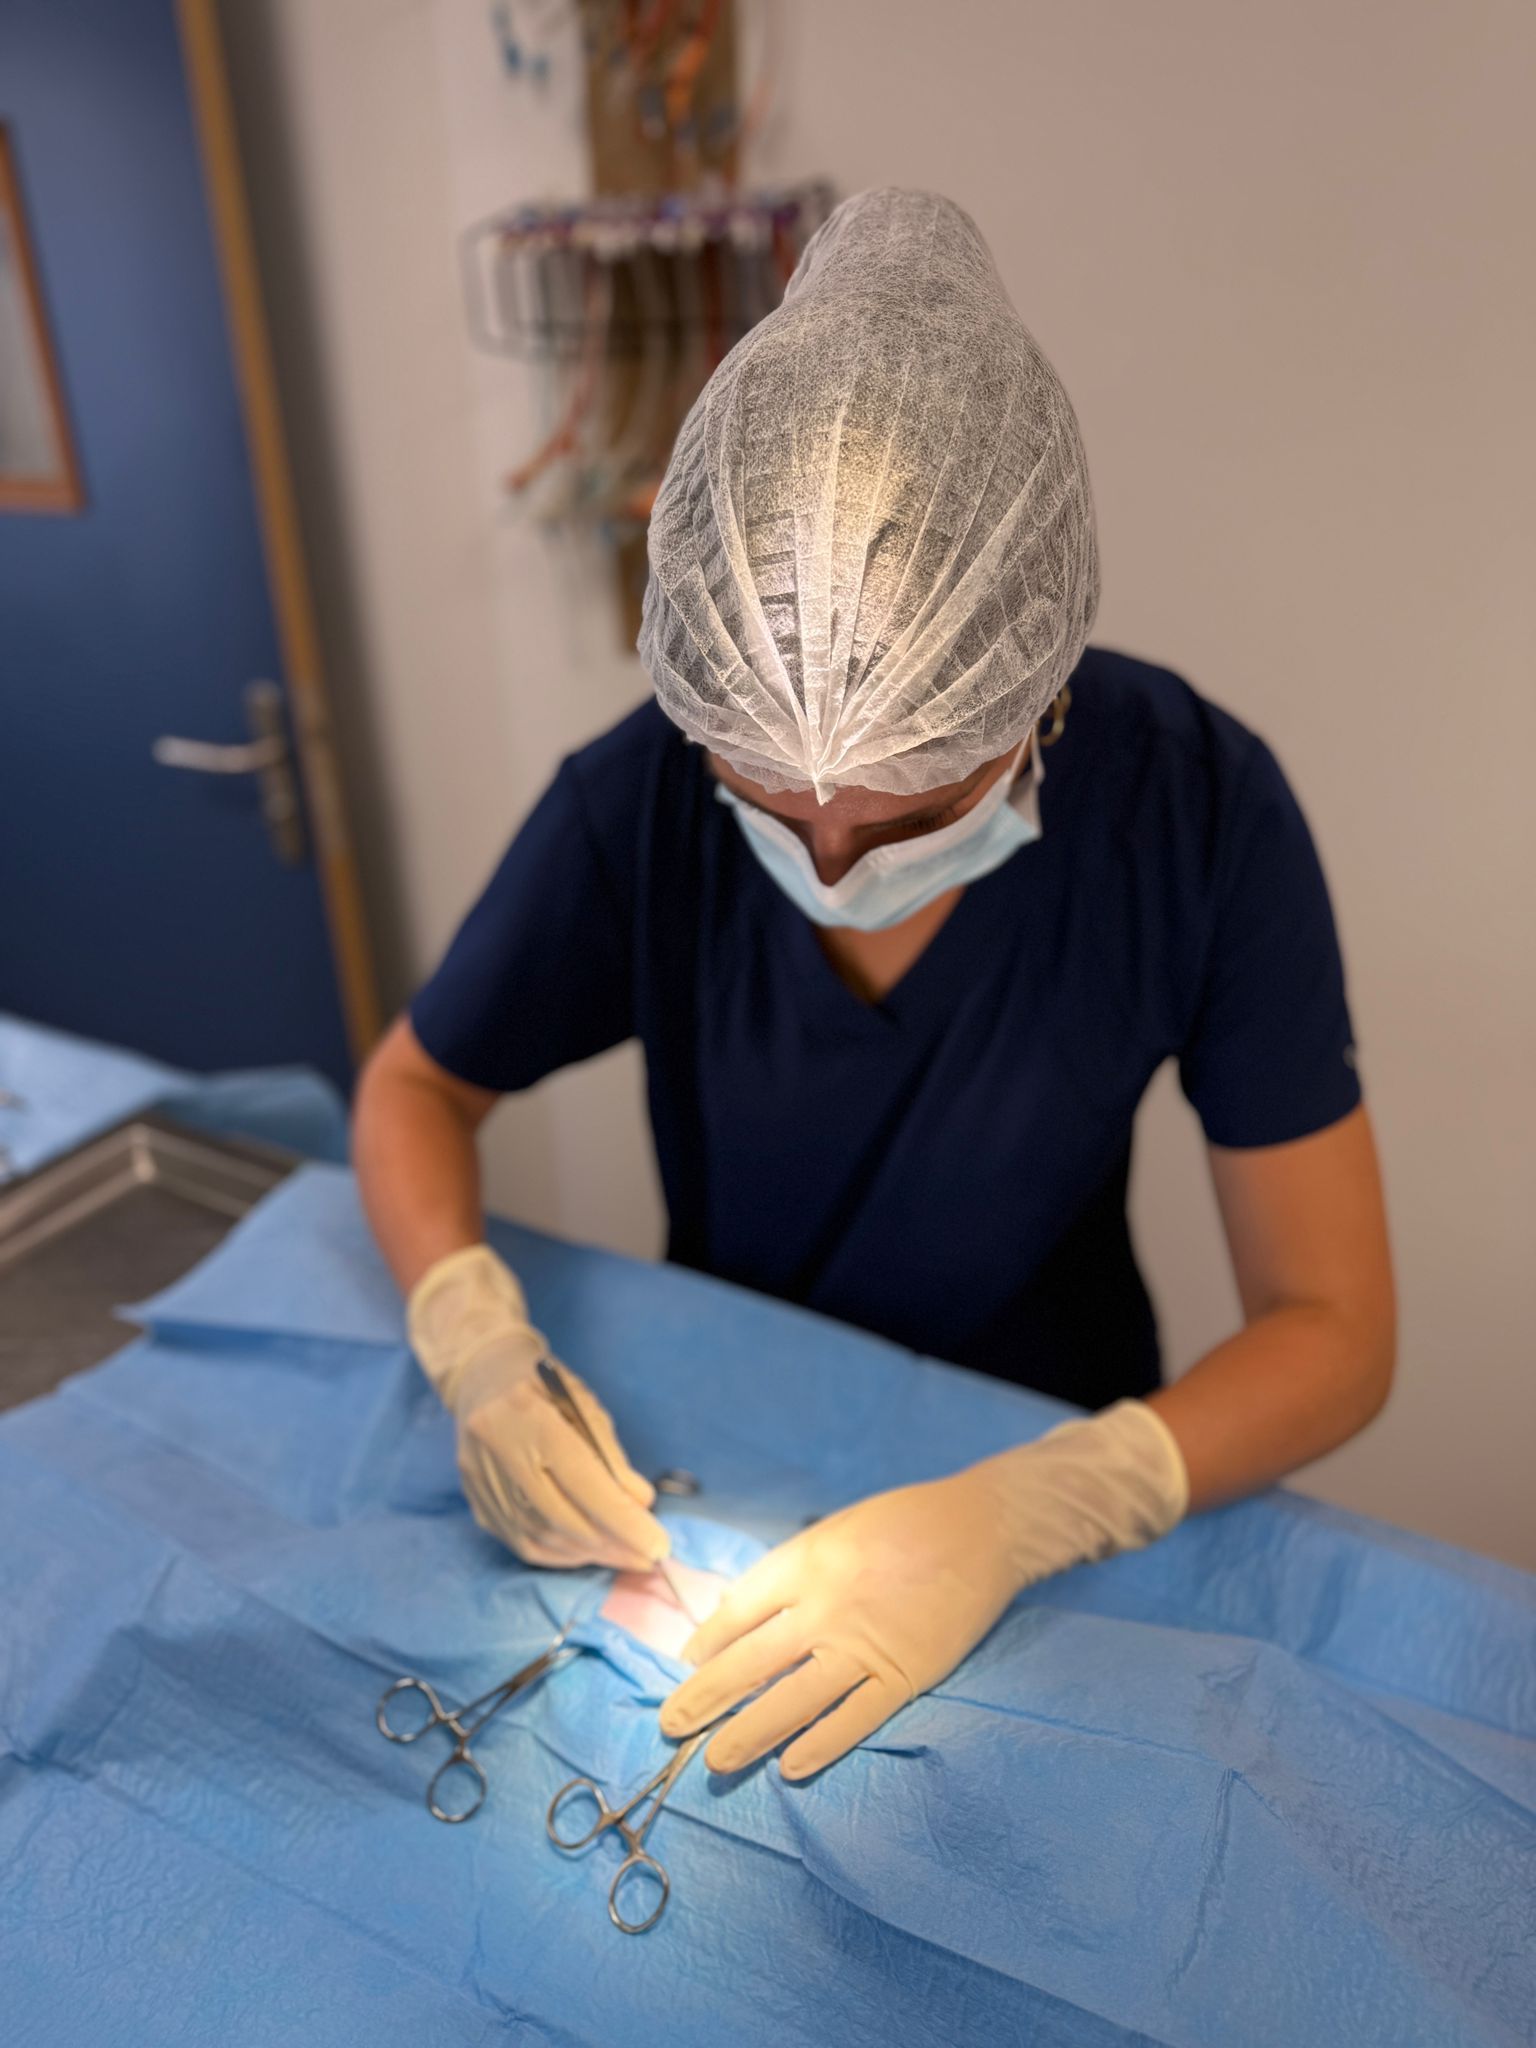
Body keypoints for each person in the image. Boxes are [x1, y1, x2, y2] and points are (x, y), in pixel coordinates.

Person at [355, 188, 1394, 1782]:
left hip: (1051, 1450)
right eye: (769, 804)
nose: (834, 864)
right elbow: (417, 1086)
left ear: (1036, 691)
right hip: (717, 1430)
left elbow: (1335, 1326)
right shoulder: (640, 799)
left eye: (913, 813)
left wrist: (1037, 1507)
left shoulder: (1198, 812)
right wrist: (474, 1340)